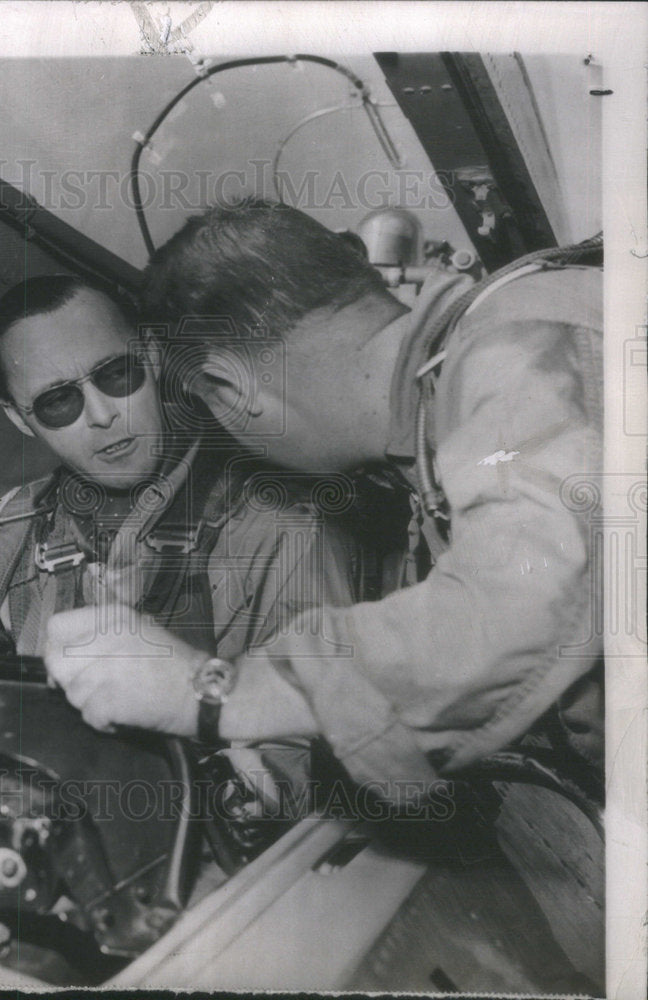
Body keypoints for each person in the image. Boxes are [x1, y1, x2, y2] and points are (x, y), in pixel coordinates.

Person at [43, 199, 603, 801]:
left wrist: (212, 695)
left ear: (233, 386)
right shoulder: (462, 386)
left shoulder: (523, 346)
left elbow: (524, 606)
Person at [0, 273, 355, 687]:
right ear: (19, 418)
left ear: (153, 357)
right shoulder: (7, 539)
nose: (103, 416)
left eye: (117, 374)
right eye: (58, 402)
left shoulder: (278, 533)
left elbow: (295, 749)